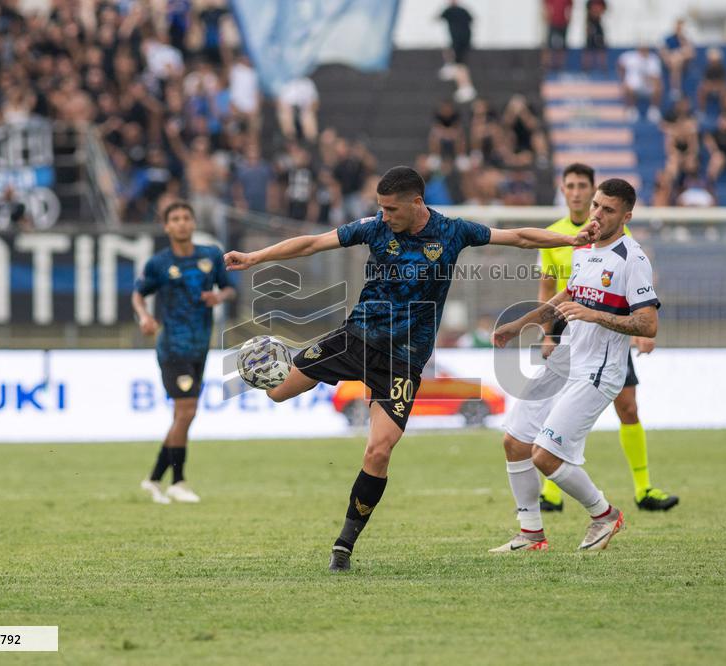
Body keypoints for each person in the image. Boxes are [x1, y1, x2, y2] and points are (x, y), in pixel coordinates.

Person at [222, 166, 599, 571]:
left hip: (403, 361)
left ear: (417, 203)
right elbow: (313, 243)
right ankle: (287, 366)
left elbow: (521, 237)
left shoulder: (454, 232)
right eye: (381, 208)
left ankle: (343, 547)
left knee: (378, 450)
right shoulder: (374, 227)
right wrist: (256, 257)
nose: (384, 216)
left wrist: (570, 238)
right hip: (356, 340)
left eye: (391, 209)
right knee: (277, 392)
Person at [489, 178, 659, 553]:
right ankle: (531, 533)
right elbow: (568, 295)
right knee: (514, 441)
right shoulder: (583, 248)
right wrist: (521, 325)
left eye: (608, 210)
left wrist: (594, 315)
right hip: (566, 359)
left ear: (626, 216)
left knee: (545, 455)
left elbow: (648, 324)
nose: (597, 213)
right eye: (597, 205)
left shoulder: (632, 259)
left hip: (598, 369)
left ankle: (605, 515)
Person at [133, 201, 235, 505]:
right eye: (174, 219)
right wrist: (144, 316)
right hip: (172, 347)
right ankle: (177, 482)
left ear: (193, 223)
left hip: (200, 345)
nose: (181, 223)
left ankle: (153, 480)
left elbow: (230, 288)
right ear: (166, 227)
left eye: (185, 218)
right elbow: (139, 293)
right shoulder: (159, 263)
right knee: (187, 411)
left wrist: (219, 296)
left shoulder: (210, 256)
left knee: (182, 415)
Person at [438, 1, 477, 103]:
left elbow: (437, 18)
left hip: (458, 41)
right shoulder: (463, 11)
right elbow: (472, 20)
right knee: (456, 60)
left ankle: (465, 87)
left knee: (459, 65)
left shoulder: (450, 11)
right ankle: (463, 84)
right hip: (464, 40)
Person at [618, 44, 663, 123]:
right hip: (634, 85)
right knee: (627, 86)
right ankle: (631, 109)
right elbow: (620, 64)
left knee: (658, 86)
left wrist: (649, 79)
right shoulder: (629, 57)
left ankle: (654, 110)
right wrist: (623, 79)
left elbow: (656, 77)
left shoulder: (653, 59)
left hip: (648, 85)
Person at [659, 19, 696, 101]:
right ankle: (675, 89)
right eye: (678, 27)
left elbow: (691, 53)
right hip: (671, 61)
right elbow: (663, 51)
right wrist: (668, 57)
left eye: (681, 27)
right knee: (675, 60)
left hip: (684, 62)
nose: (679, 29)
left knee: (677, 59)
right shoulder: (668, 39)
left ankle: (675, 89)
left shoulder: (686, 39)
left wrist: (682, 42)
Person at [542, 0, 574, 72]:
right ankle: (545, 66)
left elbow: (570, 6)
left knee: (563, 46)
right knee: (548, 45)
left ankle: (562, 66)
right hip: (552, 22)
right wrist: (546, 15)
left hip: (563, 22)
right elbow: (545, 5)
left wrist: (569, 16)